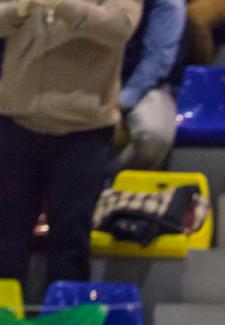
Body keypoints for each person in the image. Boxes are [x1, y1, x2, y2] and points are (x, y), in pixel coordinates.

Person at [0, 0, 142, 302]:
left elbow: (118, 28)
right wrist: (22, 9)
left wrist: (62, 5)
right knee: (6, 236)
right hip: (17, 124)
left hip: (83, 134)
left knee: (69, 242)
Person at [114, 0, 185, 172]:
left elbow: (157, 61)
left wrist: (120, 104)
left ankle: (111, 181)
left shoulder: (169, 4)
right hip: (86, 82)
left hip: (141, 86)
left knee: (154, 136)